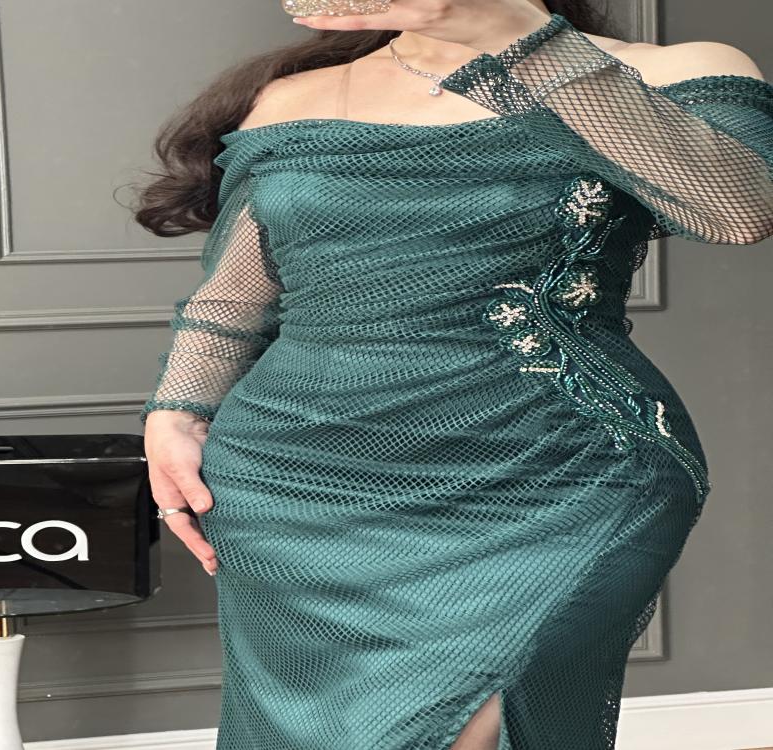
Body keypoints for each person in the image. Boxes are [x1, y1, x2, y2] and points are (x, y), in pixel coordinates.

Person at [131, 0, 773, 747]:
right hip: (294, 484)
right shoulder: (293, 98)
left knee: (480, 725)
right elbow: (236, 295)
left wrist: (515, 37)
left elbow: (739, 210)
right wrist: (175, 414)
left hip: (561, 476)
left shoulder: (677, 70)